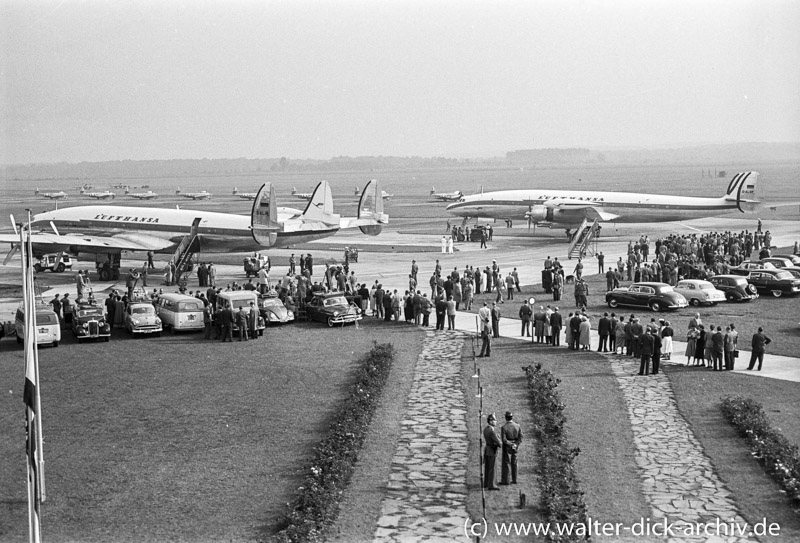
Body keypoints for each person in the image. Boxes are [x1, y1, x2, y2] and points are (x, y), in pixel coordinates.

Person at [500, 411, 522, 485]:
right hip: (515, 447)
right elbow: (520, 437)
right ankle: (514, 479)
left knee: (506, 463)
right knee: (514, 463)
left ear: (506, 418)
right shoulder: (517, 426)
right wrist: (515, 444)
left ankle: (506, 481)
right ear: (512, 417)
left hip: (507, 447)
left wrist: (510, 444)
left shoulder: (504, 427)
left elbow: (504, 440)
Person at [483, 414, 501, 490]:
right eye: (494, 420)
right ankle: (492, 485)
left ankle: (486, 483)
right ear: (490, 421)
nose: (495, 422)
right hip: (492, 450)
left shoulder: (486, 429)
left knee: (487, 467)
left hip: (487, 449)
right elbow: (499, 443)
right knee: (492, 468)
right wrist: (499, 439)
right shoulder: (492, 432)